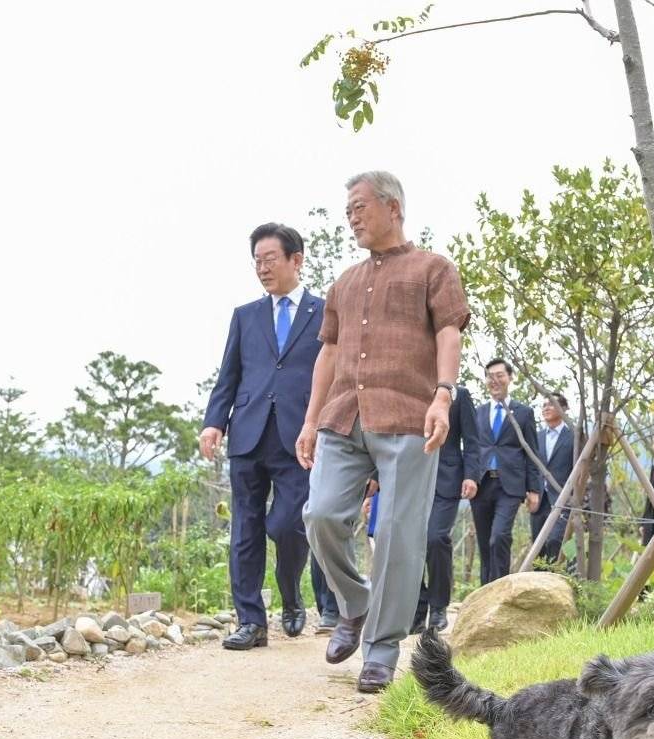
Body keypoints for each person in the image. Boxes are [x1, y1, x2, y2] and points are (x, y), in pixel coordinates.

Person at [298, 170, 468, 694]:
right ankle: (355, 604)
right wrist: (310, 419)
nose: (352, 217)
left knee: (397, 532)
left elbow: (449, 332)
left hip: (409, 418)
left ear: (393, 208)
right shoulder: (344, 282)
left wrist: (443, 394)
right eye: (347, 210)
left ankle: (382, 648)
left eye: (359, 207)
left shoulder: (433, 269)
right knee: (320, 514)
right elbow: (327, 352)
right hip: (343, 415)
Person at [200, 222, 336, 651]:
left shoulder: (324, 312)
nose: (262, 268)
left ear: (296, 260)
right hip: (248, 435)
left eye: (270, 259)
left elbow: (335, 375)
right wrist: (213, 421)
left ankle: (292, 592)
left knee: (289, 524)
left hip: (301, 437)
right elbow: (230, 375)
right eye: (256, 261)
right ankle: (251, 622)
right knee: (246, 528)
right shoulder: (246, 316)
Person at [410, 385, 481, 634]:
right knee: (410, 542)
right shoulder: (409, 385)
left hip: (447, 478)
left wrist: (471, 475)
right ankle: (417, 611)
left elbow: (472, 440)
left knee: (436, 538)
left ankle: (438, 607)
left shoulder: (459, 395)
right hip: (409, 477)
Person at [472, 359, 542, 584]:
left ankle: (500, 588)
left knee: (499, 537)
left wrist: (534, 489)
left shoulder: (523, 413)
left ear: (510, 378)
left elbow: (531, 452)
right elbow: (472, 449)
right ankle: (484, 592)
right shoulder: (478, 412)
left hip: (510, 485)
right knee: (484, 544)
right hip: (481, 484)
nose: (495, 380)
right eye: (490, 376)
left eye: (499, 375)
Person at [529, 393, 574, 563]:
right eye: (544, 405)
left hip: (563, 499)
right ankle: (539, 586)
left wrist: (573, 496)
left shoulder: (573, 436)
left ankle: (555, 583)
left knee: (556, 541)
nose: (546, 408)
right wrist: (530, 491)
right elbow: (531, 466)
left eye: (551, 404)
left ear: (563, 409)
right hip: (539, 499)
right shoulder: (536, 437)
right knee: (538, 547)